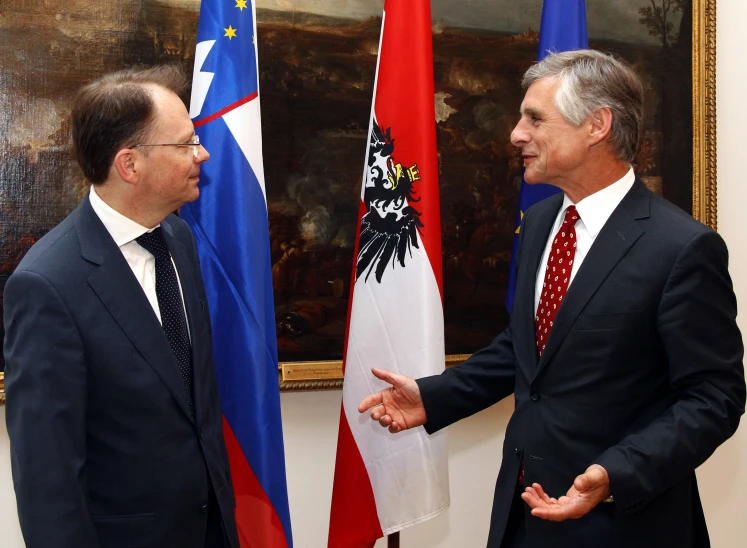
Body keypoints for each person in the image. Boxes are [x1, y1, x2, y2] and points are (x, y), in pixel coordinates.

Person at [358, 50, 745, 548]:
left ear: (597, 125)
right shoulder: (542, 222)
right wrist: (434, 397)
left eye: (535, 118)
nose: (517, 134)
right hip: (525, 515)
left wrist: (616, 472)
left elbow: (714, 398)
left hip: (625, 524)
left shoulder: (681, 248)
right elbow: (529, 349)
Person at [3, 66, 239, 548]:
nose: (204, 154)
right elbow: (48, 480)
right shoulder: (47, 284)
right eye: (187, 144)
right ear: (130, 164)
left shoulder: (178, 238)